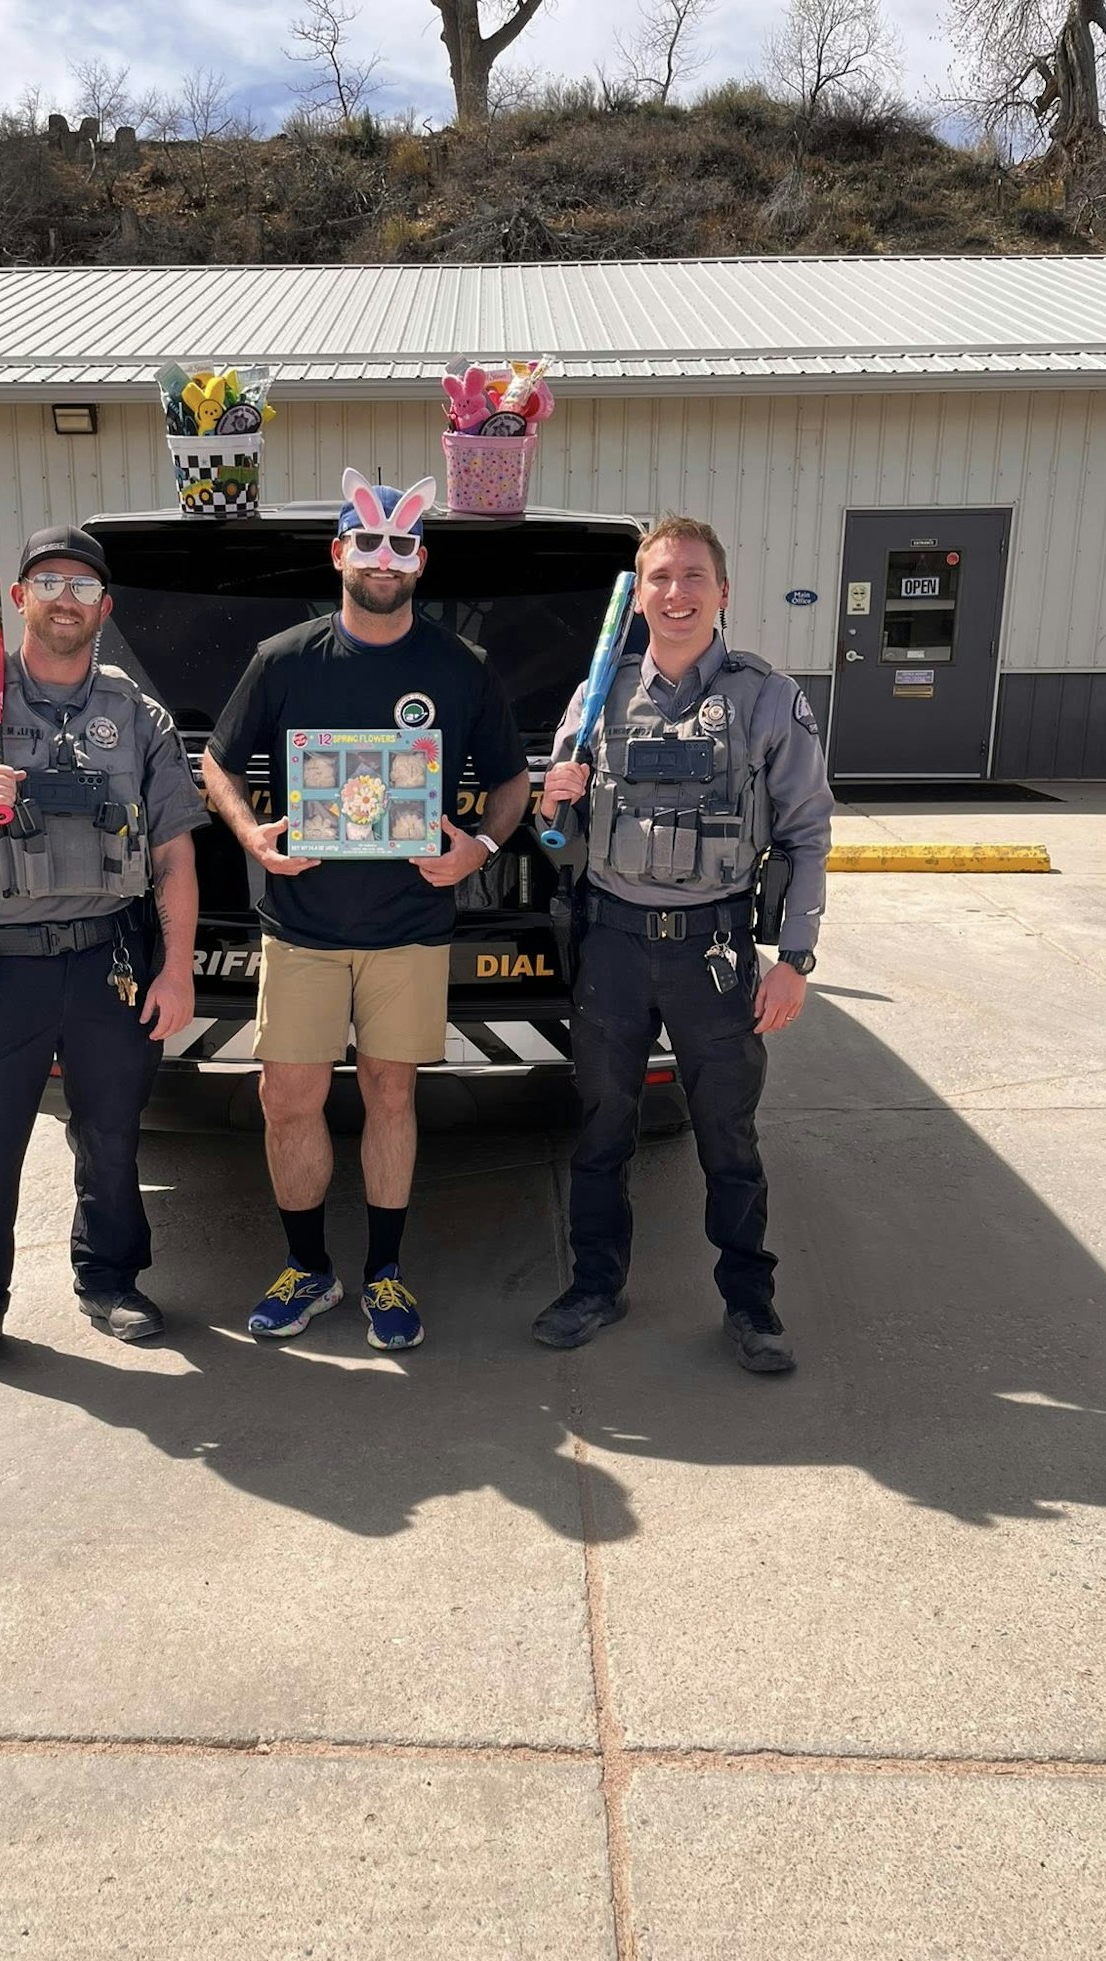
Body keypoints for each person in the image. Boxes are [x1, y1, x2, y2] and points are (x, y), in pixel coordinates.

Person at [200, 469, 530, 1351]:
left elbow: (511, 780)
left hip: (410, 932)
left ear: (421, 562)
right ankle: (309, 1268)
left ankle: (385, 1275)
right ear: (339, 552)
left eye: (404, 548)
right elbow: (219, 764)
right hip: (301, 930)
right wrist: (253, 837)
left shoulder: (461, 669)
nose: (386, 562)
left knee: (392, 1097)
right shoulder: (283, 660)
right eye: (370, 544)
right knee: (287, 1101)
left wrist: (480, 849)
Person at [0, 525, 209, 1386]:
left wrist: (176, 969)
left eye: (84, 586)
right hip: (0, 969)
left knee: (111, 1140)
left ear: (106, 607)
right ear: (20, 598)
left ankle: (110, 1283)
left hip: (110, 962)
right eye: (49, 582)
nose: (66, 598)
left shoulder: (136, 715)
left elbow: (175, 852)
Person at [531, 514, 833, 1373]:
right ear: (640, 596)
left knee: (727, 1138)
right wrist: (557, 799)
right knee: (602, 1132)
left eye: (693, 576)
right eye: (659, 577)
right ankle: (595, 1285)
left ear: (723, 592)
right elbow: (554, 843)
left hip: (715, 950)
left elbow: (807, 832)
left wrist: (795, 960)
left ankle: (751, 1304)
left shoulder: (766, 697)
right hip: (615, 946)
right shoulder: (597, 698)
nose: (676, 593)